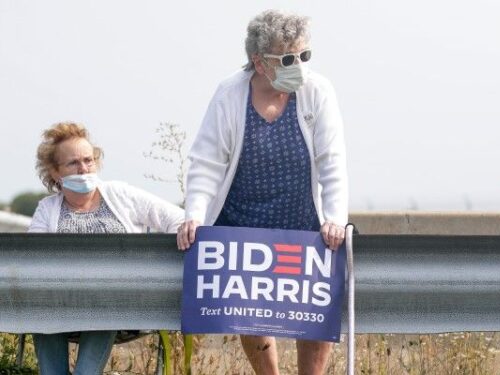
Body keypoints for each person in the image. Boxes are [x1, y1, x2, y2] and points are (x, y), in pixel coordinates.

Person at [176, 10, 348, 375]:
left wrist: (334, 220)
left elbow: (332, 162)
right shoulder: (229, 93)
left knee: (312, 310)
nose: (298, 66)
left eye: (304, 56)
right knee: (251, 312)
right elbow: (206, 163)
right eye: (287, 59)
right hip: (242, 223)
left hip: (302, 220)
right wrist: (194, 214)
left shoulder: (318, 91)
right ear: (259, 61)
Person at [29, 121, 184, 374]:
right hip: (61, 304)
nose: (83, 168)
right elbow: (33, 260)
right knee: (40, 309)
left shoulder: (120, 194)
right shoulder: (47, 209)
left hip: (116, 303)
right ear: (56, 173)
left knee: (104, 302)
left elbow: (178, 220)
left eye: (88, 160)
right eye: (73, 163)